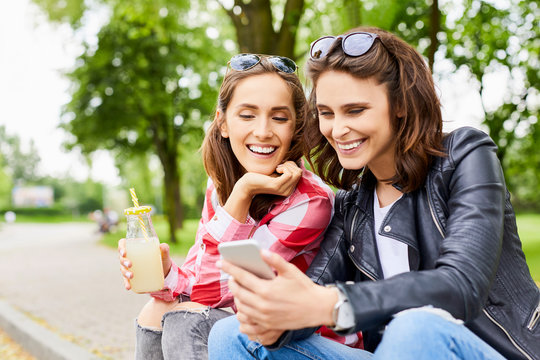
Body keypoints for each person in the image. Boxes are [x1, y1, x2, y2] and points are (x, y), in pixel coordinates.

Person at [208, 27, 540, 360]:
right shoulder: (352, 203)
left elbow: (461, 287)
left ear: (399, 104)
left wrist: (334, 303)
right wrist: (279, 321)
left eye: (355, 110)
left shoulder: (465, 155)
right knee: (232, 333)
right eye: (326, 113)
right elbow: (316, 293)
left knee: (415, 327)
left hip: (490, 351)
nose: (337, 130)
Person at [118, 53, 337, 360]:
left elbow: (214, 293)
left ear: (295, 127)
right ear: (223, 124)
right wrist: (164, 272)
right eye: (247, 115)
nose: (263, 131)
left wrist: (242, 193)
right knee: (155, 310)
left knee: (186, 319)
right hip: (243, 324)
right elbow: (199, 279)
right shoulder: (219, 186)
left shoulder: (310, 201)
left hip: (297, 341)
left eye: (279, 117)